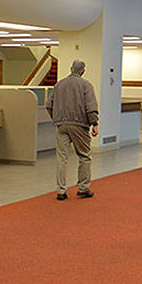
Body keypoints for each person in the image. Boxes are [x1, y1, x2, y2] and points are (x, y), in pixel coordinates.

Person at [47, 59, 100, 201]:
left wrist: (56, 118)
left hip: (61, 125)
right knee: (84, 156)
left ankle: (61, 191)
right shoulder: (86, 85)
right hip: (80, 125)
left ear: (71, 69)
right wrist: (94, 123)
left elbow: (48, 104)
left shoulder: (59, 85)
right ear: (83, 71)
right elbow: (91, 107)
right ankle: (83, 188)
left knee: (62, 158)